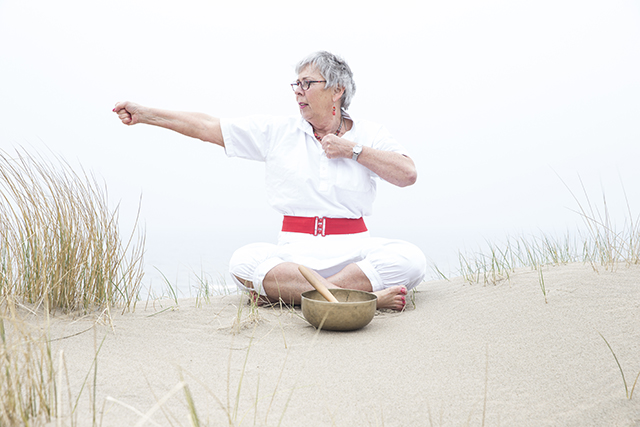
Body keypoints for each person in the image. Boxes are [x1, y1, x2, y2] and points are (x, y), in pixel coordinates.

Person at [113, 51, 426, 311]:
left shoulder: (370, 134)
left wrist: (352, 150)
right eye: (296, 84)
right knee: (243, 261)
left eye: (307, 83)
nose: (297, 90)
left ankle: (291, 296)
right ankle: (362, 301)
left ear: (337, 89)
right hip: (294, 255)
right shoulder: (278, 131)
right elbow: (209, 126)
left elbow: (407, 173)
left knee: (411, 259)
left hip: (354, 253)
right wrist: (146, 114)